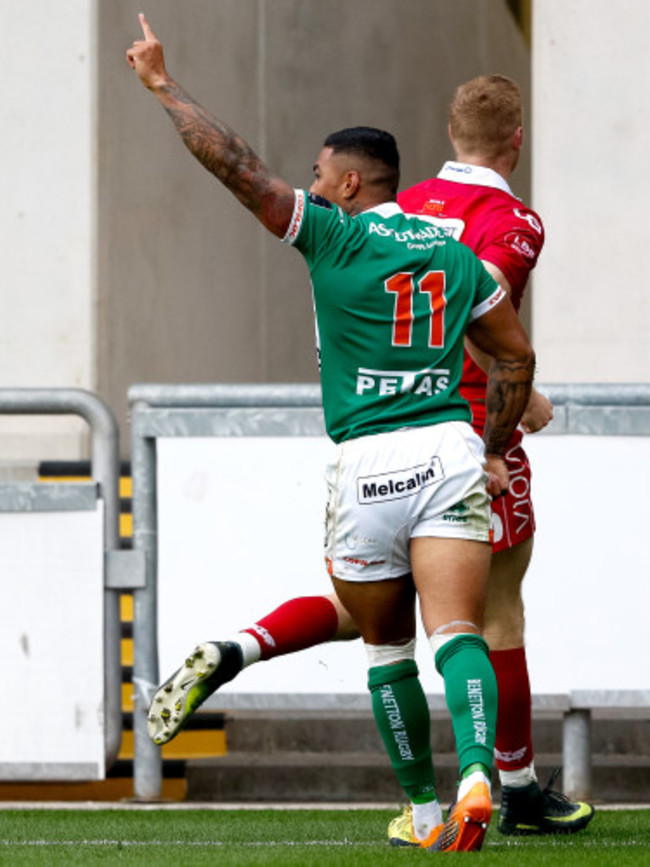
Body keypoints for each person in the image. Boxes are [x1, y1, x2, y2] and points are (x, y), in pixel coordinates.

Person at [145, 71, 594, 841]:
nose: (313, 182)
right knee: (468, 628)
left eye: (320, 174)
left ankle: (423, 812)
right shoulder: (460, 249)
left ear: (349, 183)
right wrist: (495, 445)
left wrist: (161, 86)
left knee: (384, 643)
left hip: (366, 461)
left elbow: (235, 164)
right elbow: (513, 359)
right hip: (451, 447)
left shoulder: (333, 230)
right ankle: (486, 774)